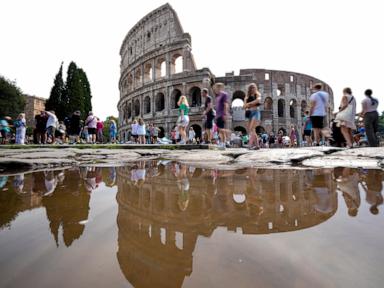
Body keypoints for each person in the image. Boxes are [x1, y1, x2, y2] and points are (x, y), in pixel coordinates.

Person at [244, 83, 261, 149]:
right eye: (252, 88)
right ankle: (257, 145)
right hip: (249, 113)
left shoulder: (258, 94)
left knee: (251, 129)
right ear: (249, 89)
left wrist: (249, 104)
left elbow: (258, 100)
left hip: (256, 112)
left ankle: (250, 145)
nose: (253, 89)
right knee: (252, 130)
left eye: (254, 87)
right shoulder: (247, 96)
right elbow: (244, 106)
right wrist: (252, 104)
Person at [213, 83, 230, 149]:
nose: (215, 89)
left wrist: (225, 114)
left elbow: (226, 104)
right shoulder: (218, 96)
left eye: (216, 88)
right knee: (219, 130)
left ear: (219, 87)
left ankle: (228, 132)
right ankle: (223, 143)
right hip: (218, 115)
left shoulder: (224, 94)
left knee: (220, 129)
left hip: (222, 114)